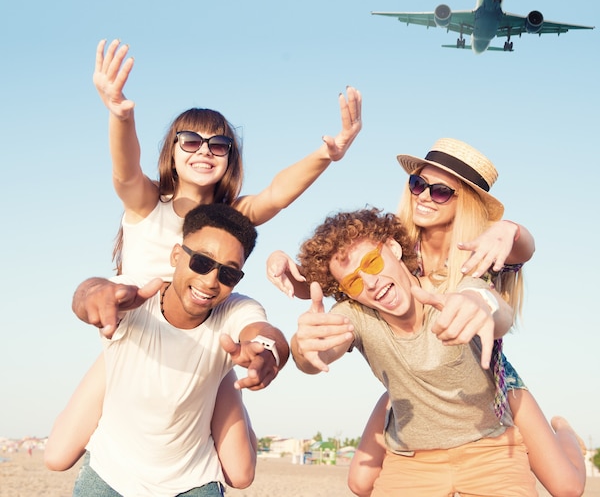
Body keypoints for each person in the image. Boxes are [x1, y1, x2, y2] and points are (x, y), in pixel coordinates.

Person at [44, 38, 362, 484]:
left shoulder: (234, 219)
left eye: (219, 145)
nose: (204, 151)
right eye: (191, 140)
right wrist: (120, 113)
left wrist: (327, 154)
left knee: (241, 472)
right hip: (134, 347)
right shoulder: (147, 203)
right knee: (57, 456)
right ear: (172, 150)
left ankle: (224, 423)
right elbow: (125, 171)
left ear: (231, 158)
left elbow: (277, 194)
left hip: (208, 354)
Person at [268, 138, 586, 497]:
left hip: (486, 379)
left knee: (568, 487)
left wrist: (509, 229)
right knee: (359, 481)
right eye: (418, 184)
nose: (422, 195)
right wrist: (290, 275)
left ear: (464, 199)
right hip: (410, 383)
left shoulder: (479, 252)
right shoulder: (399, 244)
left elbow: (505, 280)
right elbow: (339, 284)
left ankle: (567, 436)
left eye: (439, 191)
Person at [291, 206, 537, 496]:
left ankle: (567, 436)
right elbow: (319, 351)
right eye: (354, 281)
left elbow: (491, 308)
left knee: (567, 485)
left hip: (489, 450)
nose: (370, 283)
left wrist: (484, 305)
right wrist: (303, 348)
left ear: (393, 248)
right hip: (411, 460)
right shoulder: (355, 314)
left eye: (371, 263)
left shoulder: (452, 283)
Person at [70, 203, 290, 497]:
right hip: (110, 473)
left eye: (228, 274)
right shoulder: (134, 295)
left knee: (242, 474)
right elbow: (92, 292)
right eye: (201, 262)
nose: (211, 281)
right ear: (176, 255)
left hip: (192, 482)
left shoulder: (236, 308)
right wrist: (93, 295)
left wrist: (266, 351)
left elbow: (265, 333)